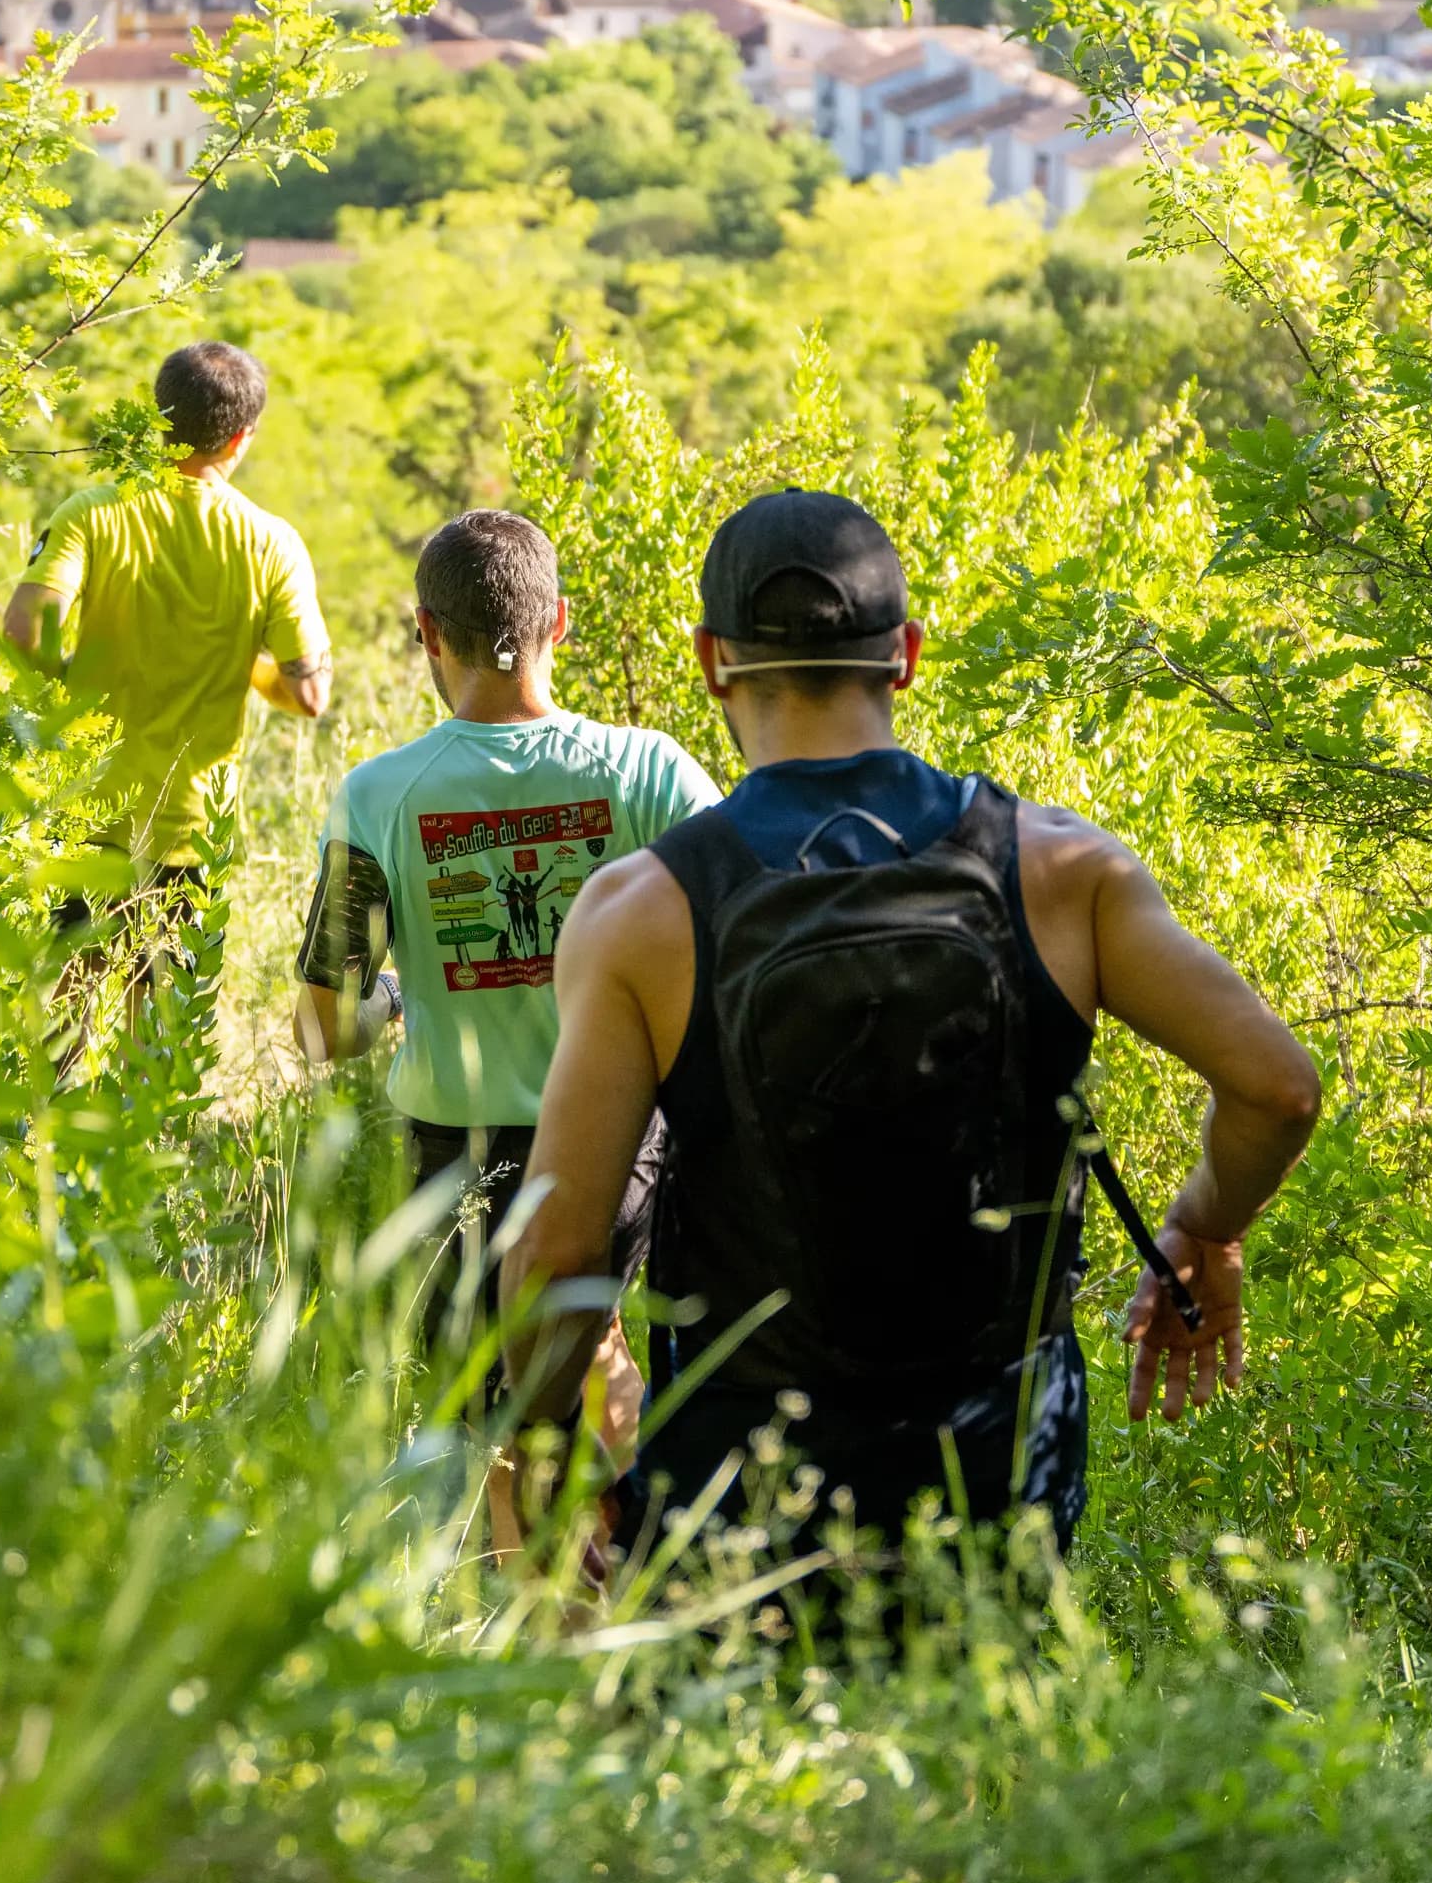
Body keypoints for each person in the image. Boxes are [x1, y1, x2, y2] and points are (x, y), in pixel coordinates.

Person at [503, 488, 1322, 1551]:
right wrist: (1204, 1229)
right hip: (997, 1461)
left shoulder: (638, 914)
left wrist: (543, 1448)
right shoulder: (1062, 870)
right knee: (991, 1716)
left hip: (747, 1480)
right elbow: (1277, 1087)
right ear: (907, 654)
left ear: (711, 659)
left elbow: (563, 1253)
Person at [293, 508, 716, 1277]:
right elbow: (746, 950)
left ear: (428, 631)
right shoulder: (654, 773)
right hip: (621, 1147)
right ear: (559, 621)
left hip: (451, 1166)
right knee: (595, 1373)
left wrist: (389, 999)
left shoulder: (375, 798)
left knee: (475, 1390)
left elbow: (323, 1033)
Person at [0, 341, 331, 952]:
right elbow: (309, 693)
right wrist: (250, 668)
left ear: (159, 418)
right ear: (242, 438)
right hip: (190, 825)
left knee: (70, 1020)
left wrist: (69, 685)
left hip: (88, 810)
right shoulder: (272, 543)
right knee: (158, 1031)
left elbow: (23, 630)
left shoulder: (90, 513)